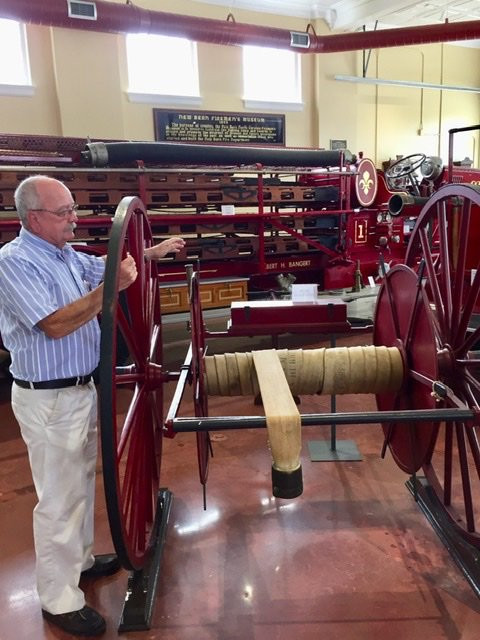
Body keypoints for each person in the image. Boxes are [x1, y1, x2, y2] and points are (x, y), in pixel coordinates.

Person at [0, 175, 185, 637]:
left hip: (81, 391)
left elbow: (103, 266)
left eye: (73, 209)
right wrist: (112, 289)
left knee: (80, 482)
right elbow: (56, 325)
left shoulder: (63, 254)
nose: (74, 219)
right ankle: (58, 600)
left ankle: (80, 562)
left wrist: (147, 255)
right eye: (64, 212)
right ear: (34, 217)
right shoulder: (15, 263)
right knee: (59, 500)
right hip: (49, 397)